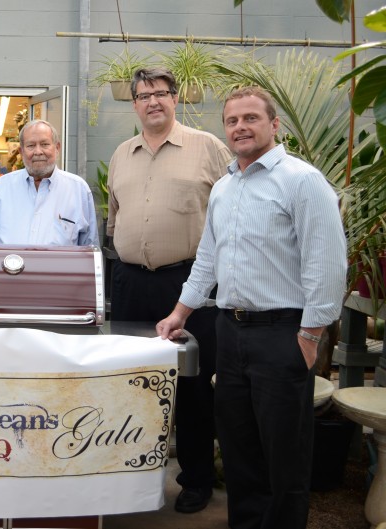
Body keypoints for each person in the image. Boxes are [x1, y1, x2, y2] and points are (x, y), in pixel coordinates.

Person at [157, 86, 347, 529]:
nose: (240, 127)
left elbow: (327, 261)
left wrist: (311, 335)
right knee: (240, 446)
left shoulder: (301, 180)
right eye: (232, 121)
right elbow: (208, 259)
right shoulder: (224, 187)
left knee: (283, 453)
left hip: (284, 334)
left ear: (274, 125)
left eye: (250, 118)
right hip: (230, 331)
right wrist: (180, 314)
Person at [106, 67, 232, 514]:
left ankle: (195, 480)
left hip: (190, 285)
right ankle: (126, 477)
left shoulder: (208, 148)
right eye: (143, 95)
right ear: (134, 103)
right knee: (130, 384)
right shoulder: (123, 153)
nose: (152, 101)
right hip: (129, 285)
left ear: (175, 98)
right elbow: (115, 216)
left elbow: (231, 210)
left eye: (161, 93)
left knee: (194, 387)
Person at [0, 119, 98, 246]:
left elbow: (89, 248)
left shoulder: (78, 189)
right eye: (31, 145)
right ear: (21, 152)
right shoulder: (0, 188)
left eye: (45, 144)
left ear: (57, 148)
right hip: (6, 266)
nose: (38, 152)